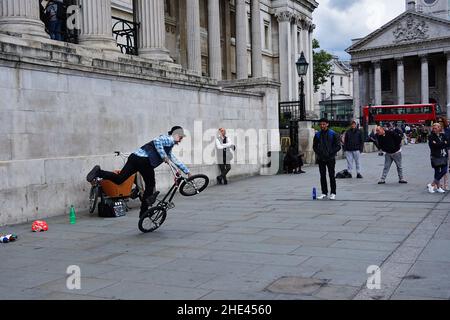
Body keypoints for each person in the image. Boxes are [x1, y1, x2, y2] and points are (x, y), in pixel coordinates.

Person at [86, 126, 191, 217]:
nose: (180, 140)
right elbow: (157, 141)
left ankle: (98, 172)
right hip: (145, 161)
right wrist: (164, 157)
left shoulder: (168, 146)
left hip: (134, 157)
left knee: (119, 179)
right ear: (176, 135)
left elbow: (174, 159)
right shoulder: (169, 139)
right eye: (180, 137)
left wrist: (186, 171)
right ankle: (144, 211)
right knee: (150, 185)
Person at [313, 118, 341, 200]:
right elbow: (314, 146)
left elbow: (338, 146)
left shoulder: (333, 134)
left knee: (332, 175)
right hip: (321, 158)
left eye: (324, 124)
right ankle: (324, 192)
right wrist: (319, 153)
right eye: (321, 124)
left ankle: (333, 193)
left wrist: (330, 153)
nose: (322, 126)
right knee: (322, 176)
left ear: (327, 124)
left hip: (330, 158)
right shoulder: (317, 134)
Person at [427, 123, 449, 193]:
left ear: (439, 128)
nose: (434, 129)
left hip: (443, 155)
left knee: (444, 170)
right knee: (437, 172)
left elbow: (448, 143)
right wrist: (443, 143)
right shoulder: (431, 136)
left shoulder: (443, 135)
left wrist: (441, 143)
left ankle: (432, 184)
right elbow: (434, 146)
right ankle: (438, 187)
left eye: (436, 128)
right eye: (433, 128)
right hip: (435, 156)